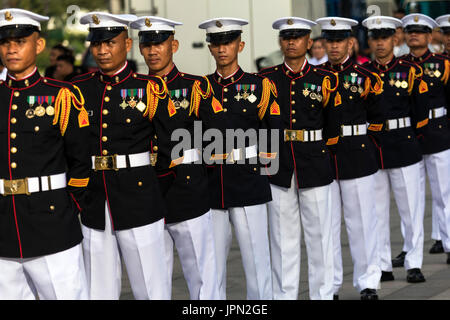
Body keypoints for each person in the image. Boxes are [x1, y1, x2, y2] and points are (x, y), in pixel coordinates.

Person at [72, 12, 172, 300]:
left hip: (139, 196)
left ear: (127, 43)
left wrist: (154, 188)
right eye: (96, 44)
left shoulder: (150, 89)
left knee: (150, 287)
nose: (102, 51)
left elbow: (168, 146)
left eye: (110, 43)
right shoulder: (79, 89)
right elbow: (75, 148)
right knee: (98, 289)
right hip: (95, 200)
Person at [131, 16, 224, 300]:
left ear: (174, 45)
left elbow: (217, 135)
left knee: (202, 275)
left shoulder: (195, 87)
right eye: (147, 45)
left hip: (187, 189)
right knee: (152, 279)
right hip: (146, 192)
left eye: (159, 43)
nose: (153, 51)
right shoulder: (132, 91)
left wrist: (196, 171)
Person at [0, 8, 90, 299]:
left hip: (51, 224)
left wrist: (69, 206)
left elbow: (81, 160)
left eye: (20, 41)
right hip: (3, 229)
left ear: (38, 45)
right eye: (5, 42)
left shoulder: (61, 96)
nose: (11, 48)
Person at [198, 17, 279, 300]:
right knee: (210, 264)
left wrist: (267, 174)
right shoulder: (201, 89)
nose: (222, 49)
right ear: (209, 48)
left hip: (248, 179)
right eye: (216, 43)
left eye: (228, 42)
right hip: (211, 183)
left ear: (240, 45)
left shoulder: (259, 86)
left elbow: (273, 131)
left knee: (257, 260)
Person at [259, 17, 338, 300]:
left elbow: (332, 125)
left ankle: (323, 295)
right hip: (279, 165)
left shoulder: (324, 79)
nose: (291, 42)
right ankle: (284, 296)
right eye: (286, 37)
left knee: (320, 238)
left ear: (308, 41)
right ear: (280, 42)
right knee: (282, 240)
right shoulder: (266, 79)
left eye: (297, 36)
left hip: (314, 162)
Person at [316, 16, 384, 300]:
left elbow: (379, 119)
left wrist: (368, 147)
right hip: (325, 158)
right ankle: (330, 286)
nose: (333, 46)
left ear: (350, 42)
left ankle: (368, 281)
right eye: (329, 41)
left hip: (357, 154)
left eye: (339, 40)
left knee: (362, 224)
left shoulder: (366, 78)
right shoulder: (315, 79)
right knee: (326, 228)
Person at [362, 15, 430, 283]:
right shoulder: (363, 73)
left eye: (385, 38)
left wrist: (414, 137)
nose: (380, 43)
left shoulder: (410, 70)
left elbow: (421, 110)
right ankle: (383, 264)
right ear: (369, 41)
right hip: (376, 147)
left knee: (410, 209)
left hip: (403, 144)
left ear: (395, 39)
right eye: (375, 38)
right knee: (376, 212)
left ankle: (414, 262)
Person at [395, 13, 450, 267]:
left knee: (444, 194)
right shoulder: (398, 67)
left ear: (430, 36)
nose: (414, 34)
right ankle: (410, 249)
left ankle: (448, 242)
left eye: (419, 31)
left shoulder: (443, 64)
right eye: (410, 31)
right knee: (410, 200)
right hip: (408, 136)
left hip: (439, 131)